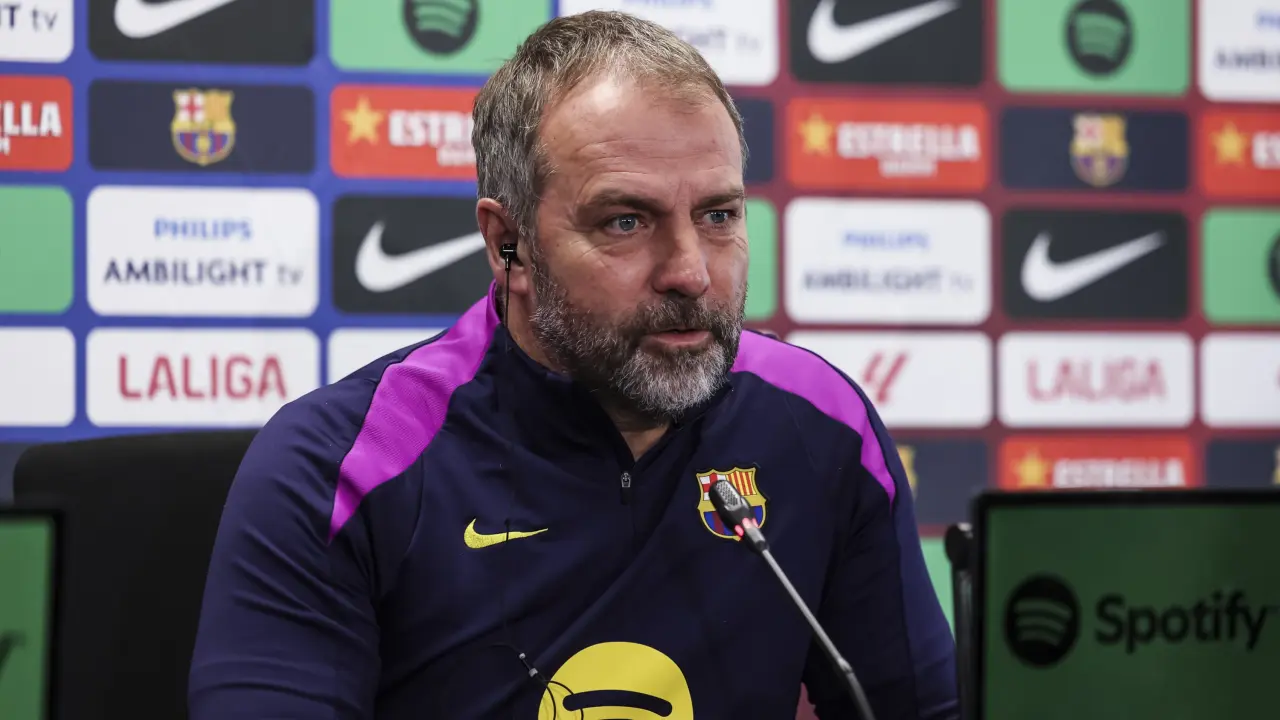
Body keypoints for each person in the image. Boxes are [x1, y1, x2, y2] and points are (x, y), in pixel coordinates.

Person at [188, 10, 958, 720]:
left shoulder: (822, 425)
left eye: (718, 215)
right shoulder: (340, 466)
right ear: (510, 245)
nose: (690, 272)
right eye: (626, 221)